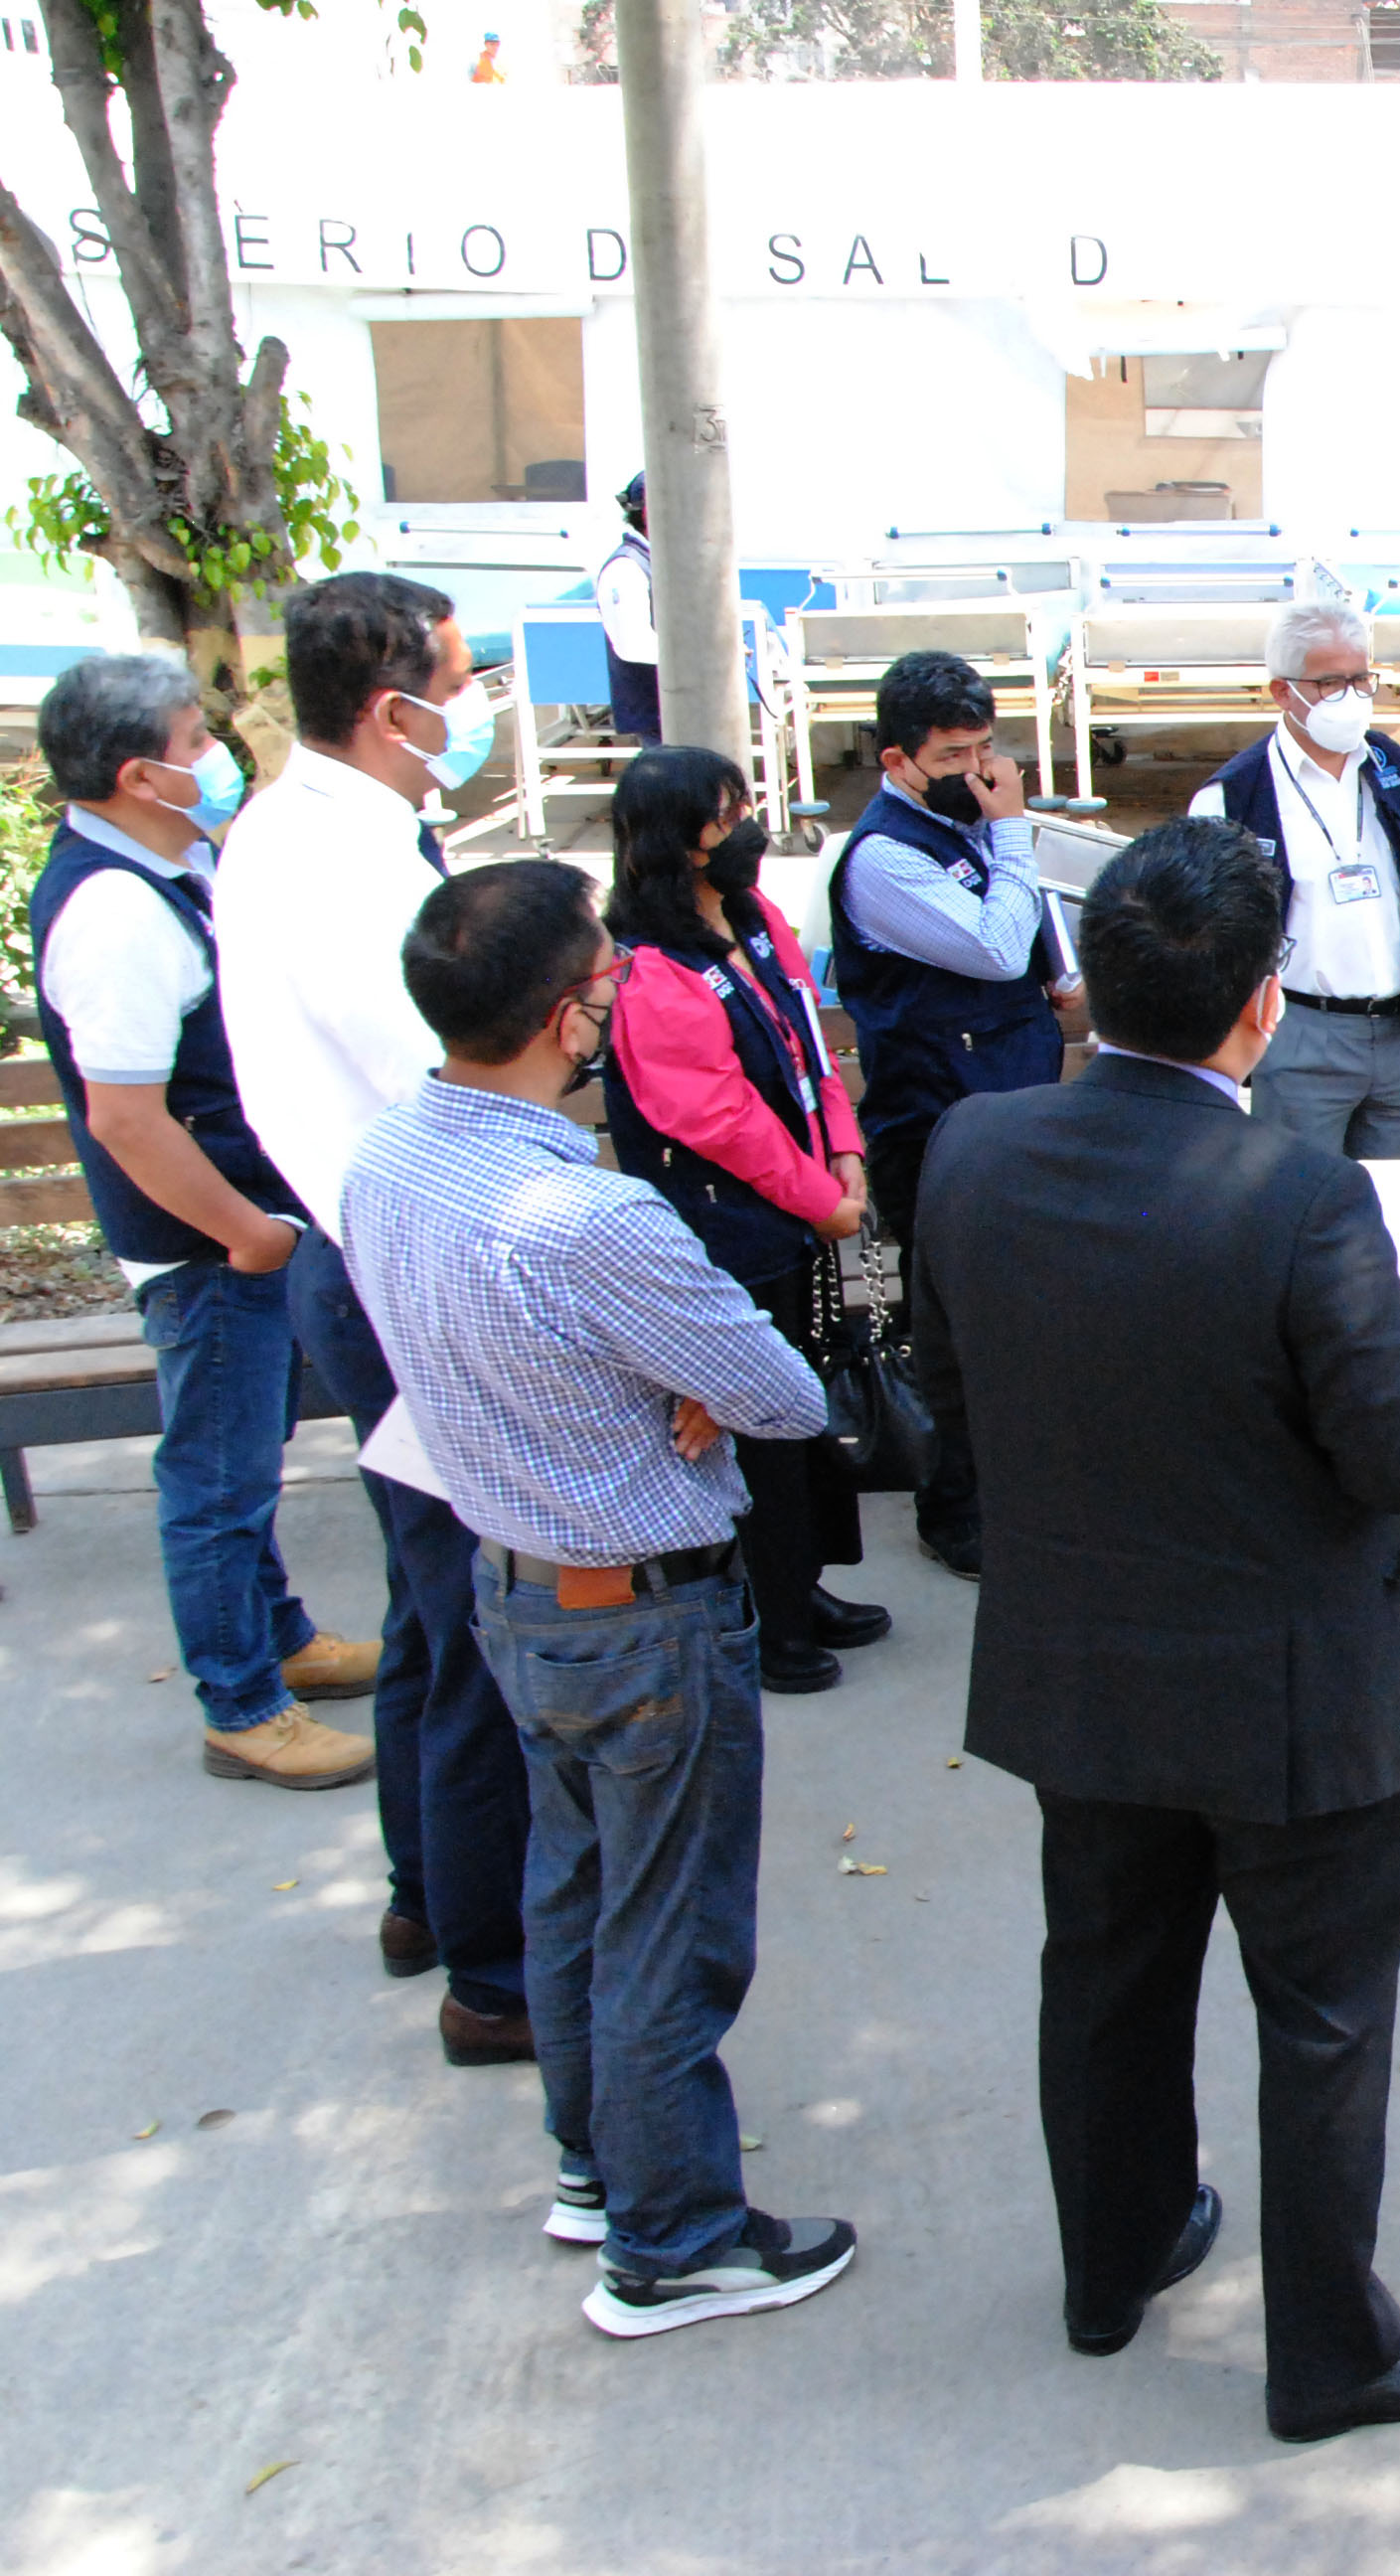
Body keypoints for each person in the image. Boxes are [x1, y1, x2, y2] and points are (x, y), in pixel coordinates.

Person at [910, 818, 1400, 2440]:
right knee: (1320, 2020)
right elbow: (1396, 1453)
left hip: (1081, 1667)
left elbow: (948, 1392)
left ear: (1085, 986)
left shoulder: (970, 1152)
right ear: (1262, 1008)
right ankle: (1330, 2352)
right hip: (1292, 1694)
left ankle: (1108, 2262)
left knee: (1103, 1974)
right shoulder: (1305, 1199)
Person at [340, 859, 853, 2338]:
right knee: (666, 1927)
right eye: (609, 986)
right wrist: (691, 1386)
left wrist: (676, 1384)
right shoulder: (586, 1218)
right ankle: (676, 2234)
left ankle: (595, 2164)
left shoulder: (389, 1162)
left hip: (514, 1584)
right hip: (642, 1609)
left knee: (570, 1891)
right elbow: (778, 1390)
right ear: (571, 1019)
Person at [215, 568, 536, 2061]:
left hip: (388, 1246)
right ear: (392, 702)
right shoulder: (326, 860)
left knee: (430, 1609)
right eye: (459, 682)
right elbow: (441, 1066)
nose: (472, 711)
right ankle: (494, 1972)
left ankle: (427, 1897)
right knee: (479, 1623)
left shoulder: (338, 830)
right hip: (410, 1258)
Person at [27, 654, 379, 1788]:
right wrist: (244, 1231)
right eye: (194, 742)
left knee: (247, 1468)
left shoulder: (168, 868)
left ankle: (279, 1641)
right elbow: (128, 1120)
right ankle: (241, 1700)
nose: (216, 757)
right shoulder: (114, 911)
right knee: (217, 1482)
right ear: (141, 773)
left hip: (237, 1232)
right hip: (207, 1247)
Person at [598, 745, 890, 1696]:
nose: (749, 826)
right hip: (727, 1231)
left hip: (807, 1207)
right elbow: (717, 1120)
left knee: (802, 1419)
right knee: (754, 1427)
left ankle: (803, 1586)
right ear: (678, 842)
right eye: (729, 814)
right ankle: (767, 1619)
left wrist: (844, 1152)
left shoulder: (756, 918)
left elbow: (808, 1037)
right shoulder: (651, 969)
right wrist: (824, 1200)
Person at [825, 648, 1066, 1578]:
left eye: (986, 750)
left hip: (1006, 1106)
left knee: (1019, 1319)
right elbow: (996, 947)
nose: (979, 774)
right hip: (937, 1128)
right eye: (954, 758)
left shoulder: (962, 826)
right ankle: (954, 1511)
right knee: (956, 1331)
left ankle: (1016, 1488)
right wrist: (1010, 836)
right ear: (895, 763)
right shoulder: (886, 855)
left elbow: (1025, 941)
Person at [1183, 597, 1400, 1157]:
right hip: (1300, 1035)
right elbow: (1206, 940)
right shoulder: (1231, 797)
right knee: (1304, 1213)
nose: (1350, 698)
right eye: (1329, 684)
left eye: (1361, 680)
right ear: (1282, 691)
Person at [591, 472, 658, 744]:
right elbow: (634, 645)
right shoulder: (627, 568)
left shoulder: (658, 561)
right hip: (659, 718)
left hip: (682, 711)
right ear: (647, 514)